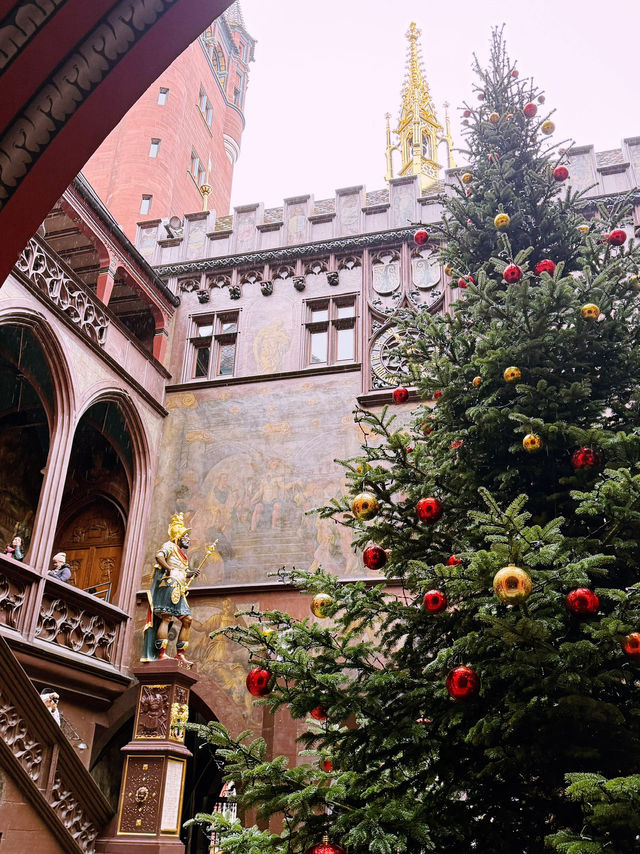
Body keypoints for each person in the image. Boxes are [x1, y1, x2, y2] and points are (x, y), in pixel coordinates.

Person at [141, 513, 215, 664]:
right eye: (186, 536)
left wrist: (190, 573)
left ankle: (180, 654)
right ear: (178, 537)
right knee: (167, 617)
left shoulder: (183, 555)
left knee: (187, 619)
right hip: (169, 586)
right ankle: (161, 653)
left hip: (179, 588)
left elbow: (180, 570)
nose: (188, 539)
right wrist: (168, 569)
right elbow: (159, 556)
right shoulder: (169, 546)